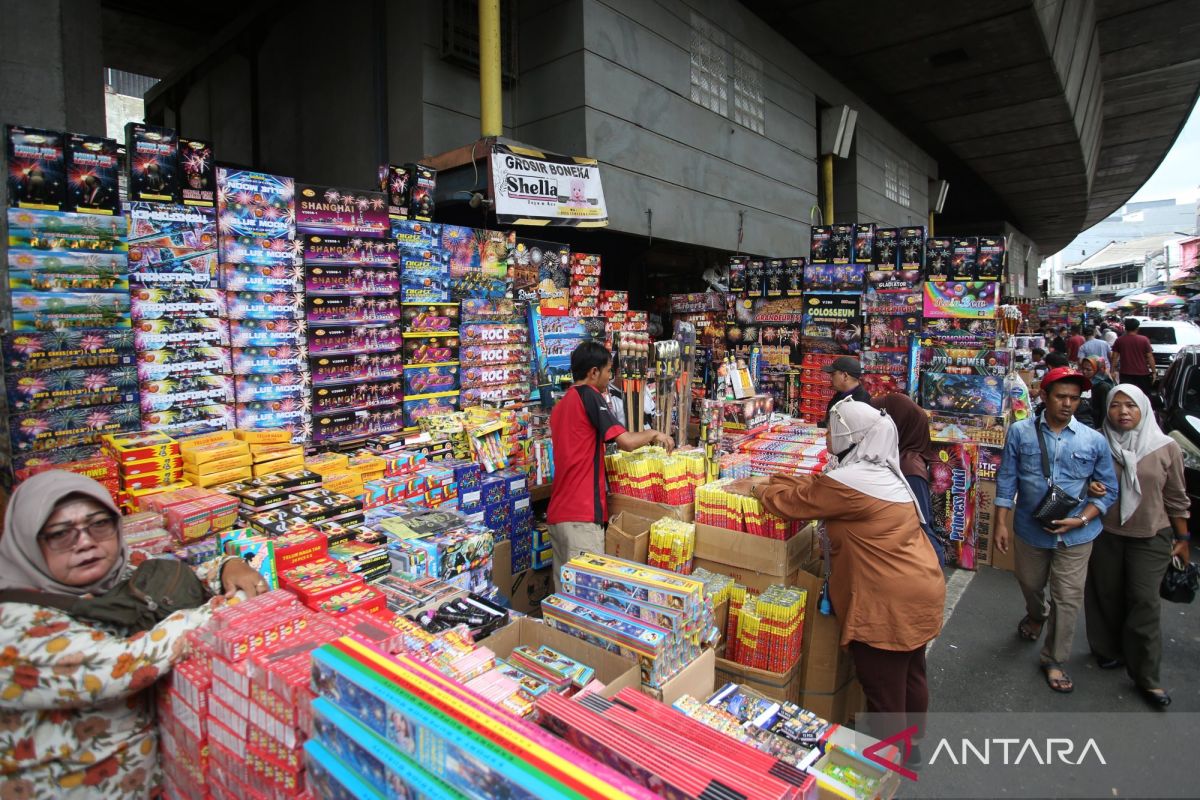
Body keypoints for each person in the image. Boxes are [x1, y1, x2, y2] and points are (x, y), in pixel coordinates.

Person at [0, 471, 266, 796]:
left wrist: (229, 566)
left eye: (99, 524)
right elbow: (124, 665)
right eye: (60, 533)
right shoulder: (12, 627)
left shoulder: (110, 575)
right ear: (27, 542)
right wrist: (227, 605)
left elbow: (164, 578)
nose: (85, 542)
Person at [728, 400, 944, 741]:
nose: (828, 434)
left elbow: (796, 502)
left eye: (834, 429)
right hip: (920, 587)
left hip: (888, 600)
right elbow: (817, 485)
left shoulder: (853, 483)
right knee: (910, 676)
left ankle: (886, 771)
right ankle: (910, 749)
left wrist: (757, 489)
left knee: (883, 691)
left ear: (852, 436)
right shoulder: (878, 471)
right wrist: (772, 475)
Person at [994, 367, 1119, 693]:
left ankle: (1053, 659)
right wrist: (1000, 525)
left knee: (1068, 598)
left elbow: (1108, 487)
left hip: (1077, 535)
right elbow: (1007, 480)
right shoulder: (1020, 433)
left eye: (1074, 398)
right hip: (1030, 529)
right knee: (1030, 583)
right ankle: (1036, 614)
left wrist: (1082, 518)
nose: (1067, 404)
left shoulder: (1094, 441)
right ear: (1044, 397)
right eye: (1061, 396)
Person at [1085, 385, 1190, 708]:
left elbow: (1176, 496)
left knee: (1144, 600)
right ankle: (1107, 650)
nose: (1123, 412)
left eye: (1131, 405)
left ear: (1143, 408)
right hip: (1105, 530)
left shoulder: (1165, 446)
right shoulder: (1097, 442)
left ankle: (1147, 676)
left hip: (1151, 534)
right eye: (1116, 405)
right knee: (1105, 592)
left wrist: (1183, 538)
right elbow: (1077, 479)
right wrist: (1089, 484)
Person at [548, 342, 673, 591]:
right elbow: (625, 442)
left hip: (558, 515)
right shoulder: (590, 396)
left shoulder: (561, 405)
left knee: (564, 603)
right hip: (581, 518)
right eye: (607, 371)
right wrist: (653, 434)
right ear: (593, 372)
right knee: (588, 601)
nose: (609, 377)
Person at [872, 393, 945, 566]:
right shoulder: (903, 456)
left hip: (917, 565)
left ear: (897, 425)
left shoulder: (909, 466)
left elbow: (921, 524)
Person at [821, 355, 871, 427]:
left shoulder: (860, 402)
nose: (830, 378)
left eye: (833, 374)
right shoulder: (840, 395)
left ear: (845, 376)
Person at [1111, 317, 1156, 393]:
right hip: (1142, 373)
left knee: (1127, 395)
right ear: (1137, 328)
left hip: (1125, 374)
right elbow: (1150, 357)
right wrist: (1154, 372)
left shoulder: (1119, 340)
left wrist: (1112, 371)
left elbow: (1114, 357)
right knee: (1142, 395)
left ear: (1125, 328)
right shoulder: (1144, 340)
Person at [1076, 356, 1114, 430]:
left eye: (1088, 370)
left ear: (1097, 370)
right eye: (1083, 368)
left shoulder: (1103, 387)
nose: (1084, 371)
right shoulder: (1084, 382)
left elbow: (1104, 410)